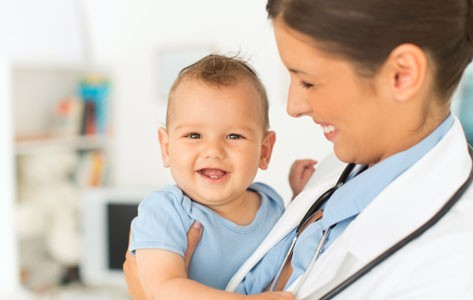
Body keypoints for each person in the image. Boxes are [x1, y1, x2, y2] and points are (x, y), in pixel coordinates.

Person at [124, 0, 473, 299]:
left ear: (402, 74)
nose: (293, 105)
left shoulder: (451, 262)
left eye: (308, 80)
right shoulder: (336, 171)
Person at [128, 54, 309, 300]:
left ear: (264, 151)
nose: (213, 151)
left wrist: (301, 198)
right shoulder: (166, 211)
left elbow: (281, 248)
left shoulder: (270, 202)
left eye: (234, 136)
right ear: (166, 147)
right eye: (194, 135)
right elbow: (163, 288)